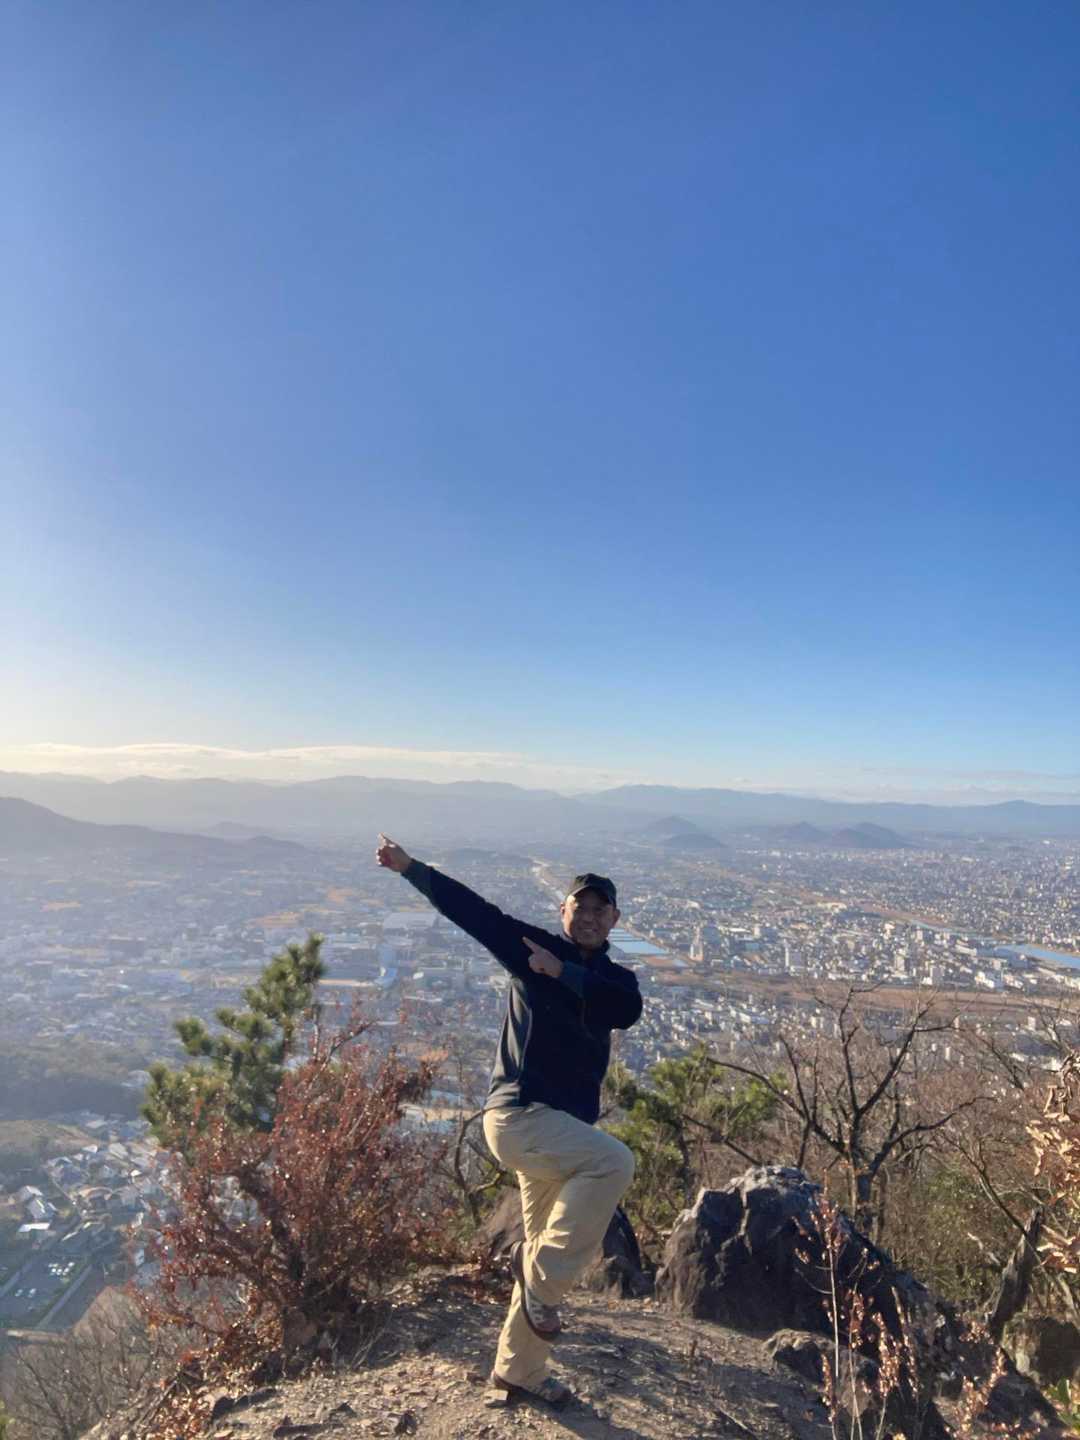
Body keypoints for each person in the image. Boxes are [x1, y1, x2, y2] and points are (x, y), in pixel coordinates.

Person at [375, 834, 642, 1406]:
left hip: (558, 1139)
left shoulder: (617, 981)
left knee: (547, 1247)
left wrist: (561, 973)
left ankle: (518, 1370)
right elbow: (476, 913)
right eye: (581, 907)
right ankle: (537, 1273)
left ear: (615, 920)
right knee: (614, 1162)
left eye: (601, 910)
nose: (590, 917)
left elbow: (625, 1010)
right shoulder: (528, 948)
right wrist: (410, 868)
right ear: (562, 910)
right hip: (519, 1117)